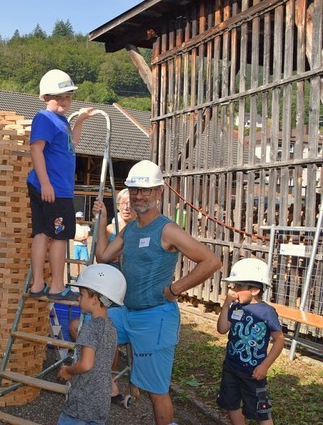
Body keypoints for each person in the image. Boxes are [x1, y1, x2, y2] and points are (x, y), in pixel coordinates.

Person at [90, 159, 222, 425]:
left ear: (159, 192)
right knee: (90, 328)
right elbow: (103, 256)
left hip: (155, 318)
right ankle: (115, 384)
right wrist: (102, 220)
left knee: (157, 392)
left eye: (146, 190)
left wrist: (176, 289)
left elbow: (212, 261)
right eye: (135, 190)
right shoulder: (130, 229)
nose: (139, 196)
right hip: (127, 313)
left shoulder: (167, 229)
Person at [27, 69, 94, 301]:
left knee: (43, 234)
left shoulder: (62, 122)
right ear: (46, 97)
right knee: (59, 236)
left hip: (53, 187)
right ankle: (56, 286)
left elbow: (72, 144)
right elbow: (36, 149)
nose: (65, 100)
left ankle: (37, 285)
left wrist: (81, 120)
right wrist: (46, 184)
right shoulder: (45, 118)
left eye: (68, 96)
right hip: (53, 188)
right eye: (59, 96)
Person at [216, 258, 284, 425]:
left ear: (254, 290)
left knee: (261, 411)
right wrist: (226, 306)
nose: (233, 291)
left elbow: (279, 340)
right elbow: (222, 329)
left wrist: (265, 366)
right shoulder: (236, 307)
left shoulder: (267, 312)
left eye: (238, 287)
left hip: (253, 372)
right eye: (232, 286)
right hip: (231, 367)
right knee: (230, 404)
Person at [57, 264, 126, 425]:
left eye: (81, 294)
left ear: (95, 300)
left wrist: (68, 370)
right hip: (100, 402)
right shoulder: (111, 327)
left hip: (81, 404)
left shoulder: (90, 327)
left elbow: (86, 365)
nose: (78, 298)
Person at [106, 188, 136, 269]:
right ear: (118, 206)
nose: (126, 208)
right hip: (113, 274)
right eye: (122, 203)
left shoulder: (144, 229)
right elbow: (100, 256)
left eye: (131, 203)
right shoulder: (110, 229)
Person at [72, 211, 90, 275]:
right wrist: (80, 239)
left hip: (83, 246)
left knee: (86, 261)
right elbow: (72, 236)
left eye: (80, 218)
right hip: (76, 245)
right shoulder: (74, 225)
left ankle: (88, 273)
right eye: (77, 218)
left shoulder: (86, 225)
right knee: (77, 261)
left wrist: (78, 239)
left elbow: (86, 236)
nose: (78, 219)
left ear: (82, 218)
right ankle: (78, 274)